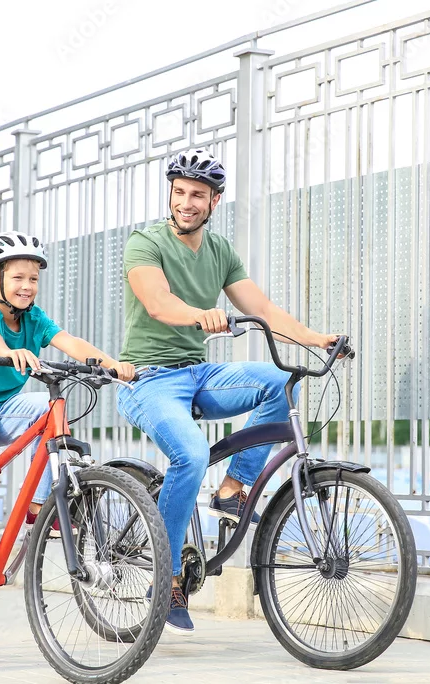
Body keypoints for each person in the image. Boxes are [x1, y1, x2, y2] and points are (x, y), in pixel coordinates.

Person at [115, 149, 340, 635]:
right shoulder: (145, 242)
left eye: (197, 194)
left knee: (279, 382)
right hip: (148, 380)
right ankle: (168, 577)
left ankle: (233, 488)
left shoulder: (220, 252)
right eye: (179, 192)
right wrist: (201, 316)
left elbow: (264, 311)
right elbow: (157, 302)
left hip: (197, 374)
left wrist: (316, 339)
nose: (186, 202)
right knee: (192, 454)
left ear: (214, 200)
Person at [0, 230, 135, 649]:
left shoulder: (35, 319)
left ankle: (39, 504)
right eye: (18, 277)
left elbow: (70, 342)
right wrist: (9, 350)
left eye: (33, 278)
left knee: (50, 408)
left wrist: (113, 365)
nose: (27, 286)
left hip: (2, 409)